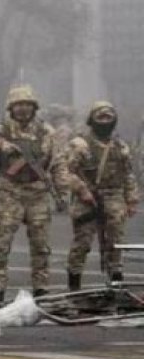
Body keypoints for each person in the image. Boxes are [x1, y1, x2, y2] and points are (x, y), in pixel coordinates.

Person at [0, 85, 67, 302]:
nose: (23, 109)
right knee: (1, 245)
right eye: (18, 105)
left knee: (41, 246)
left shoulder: (46, 132)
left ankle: (41, 289)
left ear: (34, 108)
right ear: (10, 108)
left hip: (38, 193)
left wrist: (62, 193)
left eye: (27, 105)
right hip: (10, 193)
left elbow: (58, 164)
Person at [58, 101, 138, 290]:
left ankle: (115, 284)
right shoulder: (80, 145)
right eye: (100, 117)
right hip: (88, 199)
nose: (104, 121)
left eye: (108, 118)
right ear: (91, 120)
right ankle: (74, 287)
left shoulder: (120, 146)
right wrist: (82, 190)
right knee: (82, 243)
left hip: (114, 199)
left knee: (115, 244)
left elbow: (128, 174)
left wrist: (132, 199)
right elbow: (64, 172)